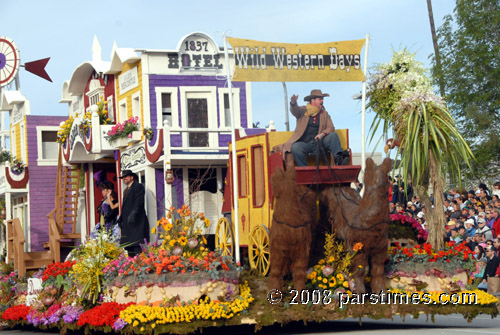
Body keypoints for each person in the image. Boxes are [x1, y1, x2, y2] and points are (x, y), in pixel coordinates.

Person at [274, 89, 349, 167]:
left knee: (333, 136)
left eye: (322, 99)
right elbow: (295, 110)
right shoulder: (303, 111)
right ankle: (305, 169)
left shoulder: (324, 114)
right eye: (320, 99)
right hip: (306, 144)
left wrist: (322, 135)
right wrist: (293, 103)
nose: (322, 101)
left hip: (320, 143)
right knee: (295, 147)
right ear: (313, 100)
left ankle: (339, 161)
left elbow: (331, 128)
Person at [117, 169, 150, 257]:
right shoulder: (127, 189)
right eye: (123, 177)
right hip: (128, 224)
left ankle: (139, 264)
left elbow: (139, 202)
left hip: (136, 222)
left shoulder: (137, 186)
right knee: (129, 246)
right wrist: (121, 218)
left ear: (132, 177)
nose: (124, 179)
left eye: (126, 177)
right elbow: (125, 207)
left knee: (136, 245)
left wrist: (133, 213)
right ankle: (132, 265)